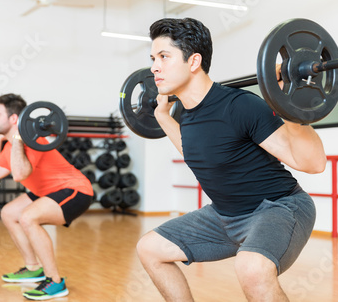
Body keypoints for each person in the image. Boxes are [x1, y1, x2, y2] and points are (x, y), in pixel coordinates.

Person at [136, 18, 327, 302]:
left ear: (193, 61)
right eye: (153, 58)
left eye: (164, 57)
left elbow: (313, 164)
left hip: (278, 208)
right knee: (149, 248)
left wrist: (291, 101)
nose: (154, 67)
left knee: (251, 268)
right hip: (225, 215)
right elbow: (196, 154)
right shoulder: (188, 114)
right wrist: (162, 117)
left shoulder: (240, 106)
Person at [0, 93, 93, 300]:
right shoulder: (10, 146)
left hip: (75, 190)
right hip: (46, 192)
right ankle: (33, 268)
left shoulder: (33, 140)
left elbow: (19, 175)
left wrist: (17, 138)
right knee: (9, 213)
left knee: (28, 217)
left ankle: (55, 281)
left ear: (13, 119)